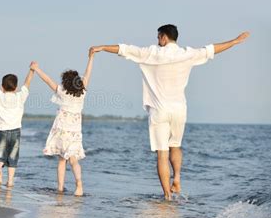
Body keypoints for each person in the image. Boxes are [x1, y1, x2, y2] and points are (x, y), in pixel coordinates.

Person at [90, 24, 250, 200]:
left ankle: (167, 196)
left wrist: (103, 47)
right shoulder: (187, 54)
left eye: (158, 37)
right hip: (179, 110)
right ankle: (178, 178)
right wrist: (235, 41)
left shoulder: (151, 53)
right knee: (176, 145)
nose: (157, 41)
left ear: (164, 37)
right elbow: (212, 49)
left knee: (162, 154)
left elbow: (124, 49)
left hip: (159, 111)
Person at [30, 51, 95, 196]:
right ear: (78, 81)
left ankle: (60, 188)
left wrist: (36, 68)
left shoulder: (62, 92)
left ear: (65, 82)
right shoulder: (82, 92)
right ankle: (79, 184)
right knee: (73, 160)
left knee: (61, 160)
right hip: (75, 133)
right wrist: (91, 58)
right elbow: (88, 72)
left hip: (61, 131)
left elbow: (48, 80)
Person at [0, 61, 34, 187]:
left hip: (1, 131)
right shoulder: (20, 97)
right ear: (16, 87)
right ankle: (10, 181)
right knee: (13, 157)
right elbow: (27, 83)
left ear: (2, 87)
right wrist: (32, 70)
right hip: (15, 131)